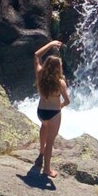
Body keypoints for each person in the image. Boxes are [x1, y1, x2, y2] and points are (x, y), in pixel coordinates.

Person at [34, 40, 69, 178]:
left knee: (44, 125)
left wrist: (50, 44)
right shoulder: (61, 83)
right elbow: (67, 101)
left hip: (41, 112)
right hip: (54, 113)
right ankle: (47, 169)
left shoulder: (40, 75)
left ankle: (41, 151)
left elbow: (37, 56)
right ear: (57, 68)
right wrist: (60, 106)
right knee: (51, 142)